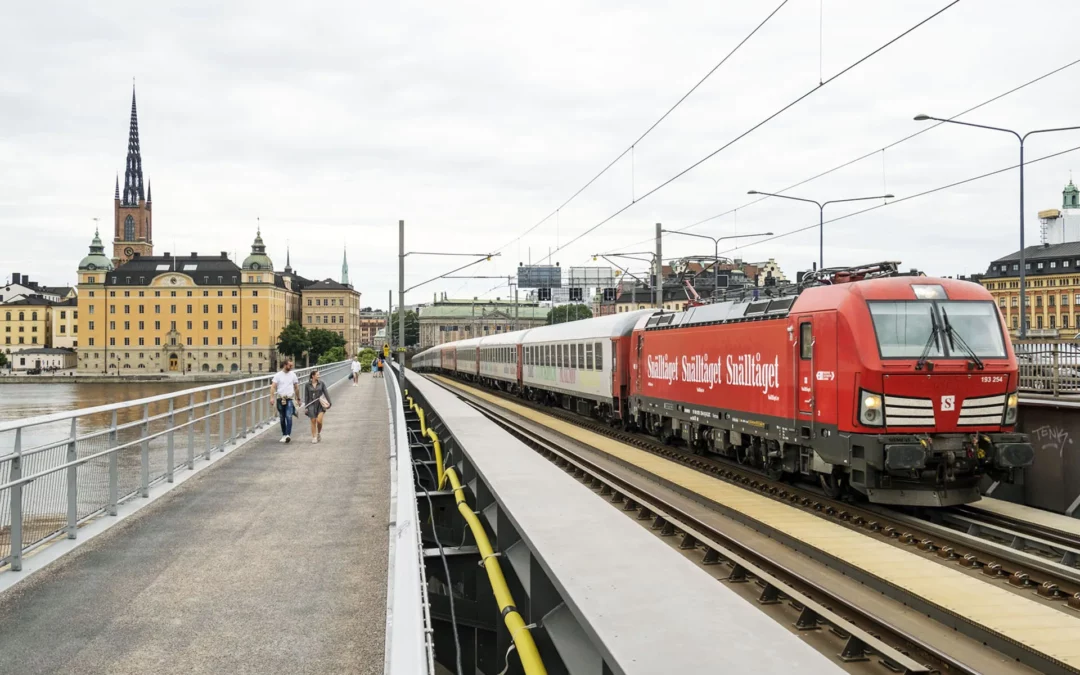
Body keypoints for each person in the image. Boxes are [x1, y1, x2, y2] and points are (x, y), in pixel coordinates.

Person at [270, 359, 300, 443]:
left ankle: (288, 435)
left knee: (289, 416)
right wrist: (272, 398)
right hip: (280, 398)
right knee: (282, 418)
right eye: (290, 365)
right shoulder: (278, 375)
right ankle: (284, 434)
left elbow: (296, 387)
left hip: (290, 398)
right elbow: (273, 387)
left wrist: (298, 398)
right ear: (285, 365)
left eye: (292, 366)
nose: (291, 367)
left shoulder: (293, 375)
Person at [302, 369, 331, 443]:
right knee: (313, 420)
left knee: (319, 421)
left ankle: (319, 433)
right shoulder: (307, 385)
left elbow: (326, 393)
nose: (319, 375)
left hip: (320, 404)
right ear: (313, 376)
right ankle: (314, 437)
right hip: (311, 404)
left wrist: (329, 403)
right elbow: (306, 396)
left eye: (319, 374)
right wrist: (306, 407)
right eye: (317, 374)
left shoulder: (322, 383)